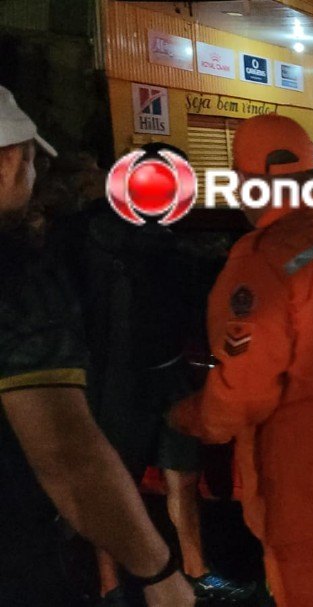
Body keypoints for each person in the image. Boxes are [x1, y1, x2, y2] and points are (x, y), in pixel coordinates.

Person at [169, 114, 313, 606]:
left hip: (307, 475)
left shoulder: (262, 263)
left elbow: (247, 387)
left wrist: (197, 417)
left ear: (251, 183)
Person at [0, 86, 194, 606]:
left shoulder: (79, 241)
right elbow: (67, 456)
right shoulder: (20, 276)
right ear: (9, 161)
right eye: (32, 164)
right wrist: (160, 576)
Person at [44, 145, 254, 604]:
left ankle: (197, 572)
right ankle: (111, 586)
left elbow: (194, 294)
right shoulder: (85, 235)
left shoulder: (168, 232)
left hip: (169, 370)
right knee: (115, 489)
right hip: (116, 378)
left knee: (184, 477)